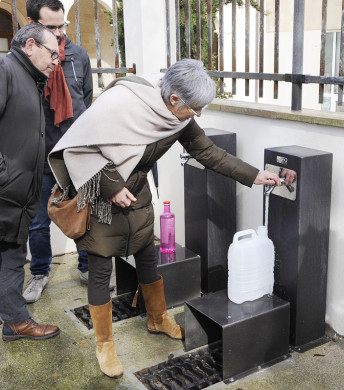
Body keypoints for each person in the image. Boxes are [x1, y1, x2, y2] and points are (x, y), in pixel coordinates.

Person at [48, 59, 281, 378]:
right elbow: (80, 148)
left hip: (138, 192)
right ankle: (104, 345)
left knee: (147, 256)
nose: (198, 115)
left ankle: (157, 319)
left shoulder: (178, 116)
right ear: (174, 99)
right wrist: (113, 186)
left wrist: (254, 175)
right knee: (101, 268)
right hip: (102, 196)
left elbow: (208, 152)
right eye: (196, 108)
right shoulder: (120, 103)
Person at [23, 0, 99, 304]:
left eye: (61, 26)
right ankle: (39, 273)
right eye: (50, 27)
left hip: (76, 156)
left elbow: (87, 101)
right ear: (31, 24)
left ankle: (87, 267)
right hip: (40, 157)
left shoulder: (78, 56)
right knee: (39, 223)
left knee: (84, 215)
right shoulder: (26, 61)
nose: (58, 34)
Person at [0, 24, 61, 342]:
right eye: (52, 53)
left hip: (17, 193)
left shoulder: (30, 79)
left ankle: (14, 320)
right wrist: (4, 175)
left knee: (10, 255)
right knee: (10, 257)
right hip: (6, 192)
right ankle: (15, 321)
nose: (56, 60)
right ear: (30, 46)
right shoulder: (6, 71)